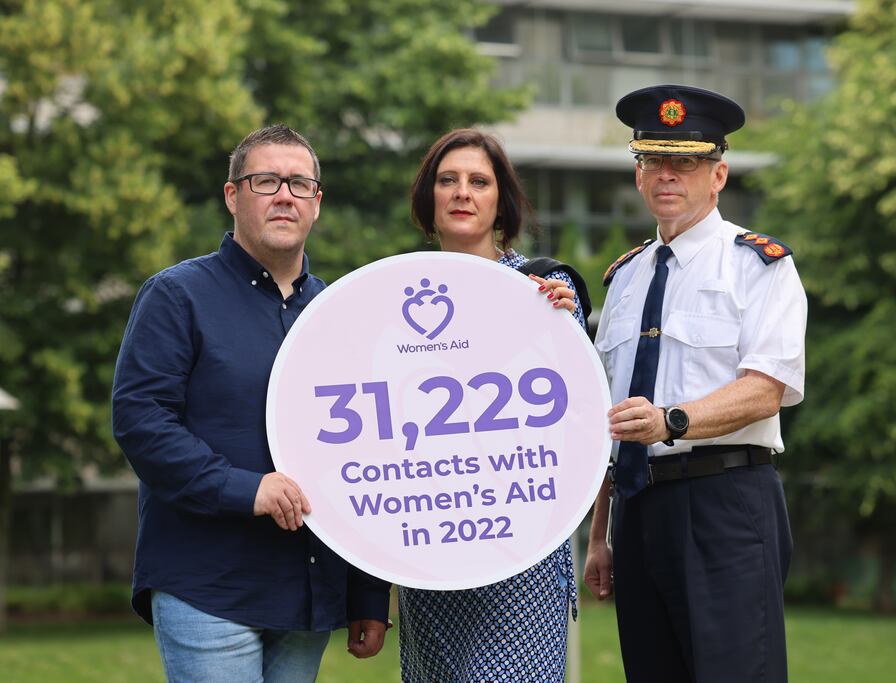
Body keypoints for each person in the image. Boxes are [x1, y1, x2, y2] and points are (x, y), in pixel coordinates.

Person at [112, 124, 390, 682]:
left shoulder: (339, 312)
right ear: (232, 195)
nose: (285, 195)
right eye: (266, 181)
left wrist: (367, 592)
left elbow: (368, 449)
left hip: (306, 591)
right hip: (209, 584)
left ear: (317, 202)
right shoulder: (177, 296)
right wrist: (247, 488)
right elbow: (142, 421)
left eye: (299, 183)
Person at [583, 85, 807, 682]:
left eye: (685, 162)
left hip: (724, 501)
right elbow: (612, 413)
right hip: (637, 509)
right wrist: (600, 533)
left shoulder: (758, 266)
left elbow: (765, 388)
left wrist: (671, 421)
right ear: (638, 175)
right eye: (653, 160)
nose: (667, 175)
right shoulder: (624, 278)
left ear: (718, 175)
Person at [398, 128, 587, 682]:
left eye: (479, 182)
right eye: (448, 180)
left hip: (521, 551)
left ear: (501, 202)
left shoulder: (544, 289)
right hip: (432, 546)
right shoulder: (394, 295)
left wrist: (562, 328)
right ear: (429, 198)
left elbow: (575, 417)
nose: (462, 192)